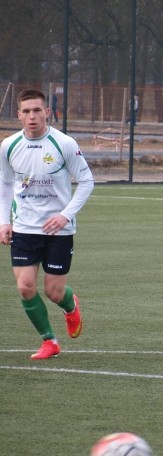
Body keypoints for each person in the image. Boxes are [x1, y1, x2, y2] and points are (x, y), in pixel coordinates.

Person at [0, 89, 93, 359]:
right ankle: (49, 341)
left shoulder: (64, 143)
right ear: (19, 115)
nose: (32, 116)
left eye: (37, 110)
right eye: (26, 111)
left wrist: (65, 215)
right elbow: (5, 184)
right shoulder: (8, 146)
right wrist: (4, 222)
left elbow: (86, 181)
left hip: (58, 230)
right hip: (24, 228)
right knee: (25, 287)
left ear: (47, 112)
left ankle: (70, 306)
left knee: (54, 292)